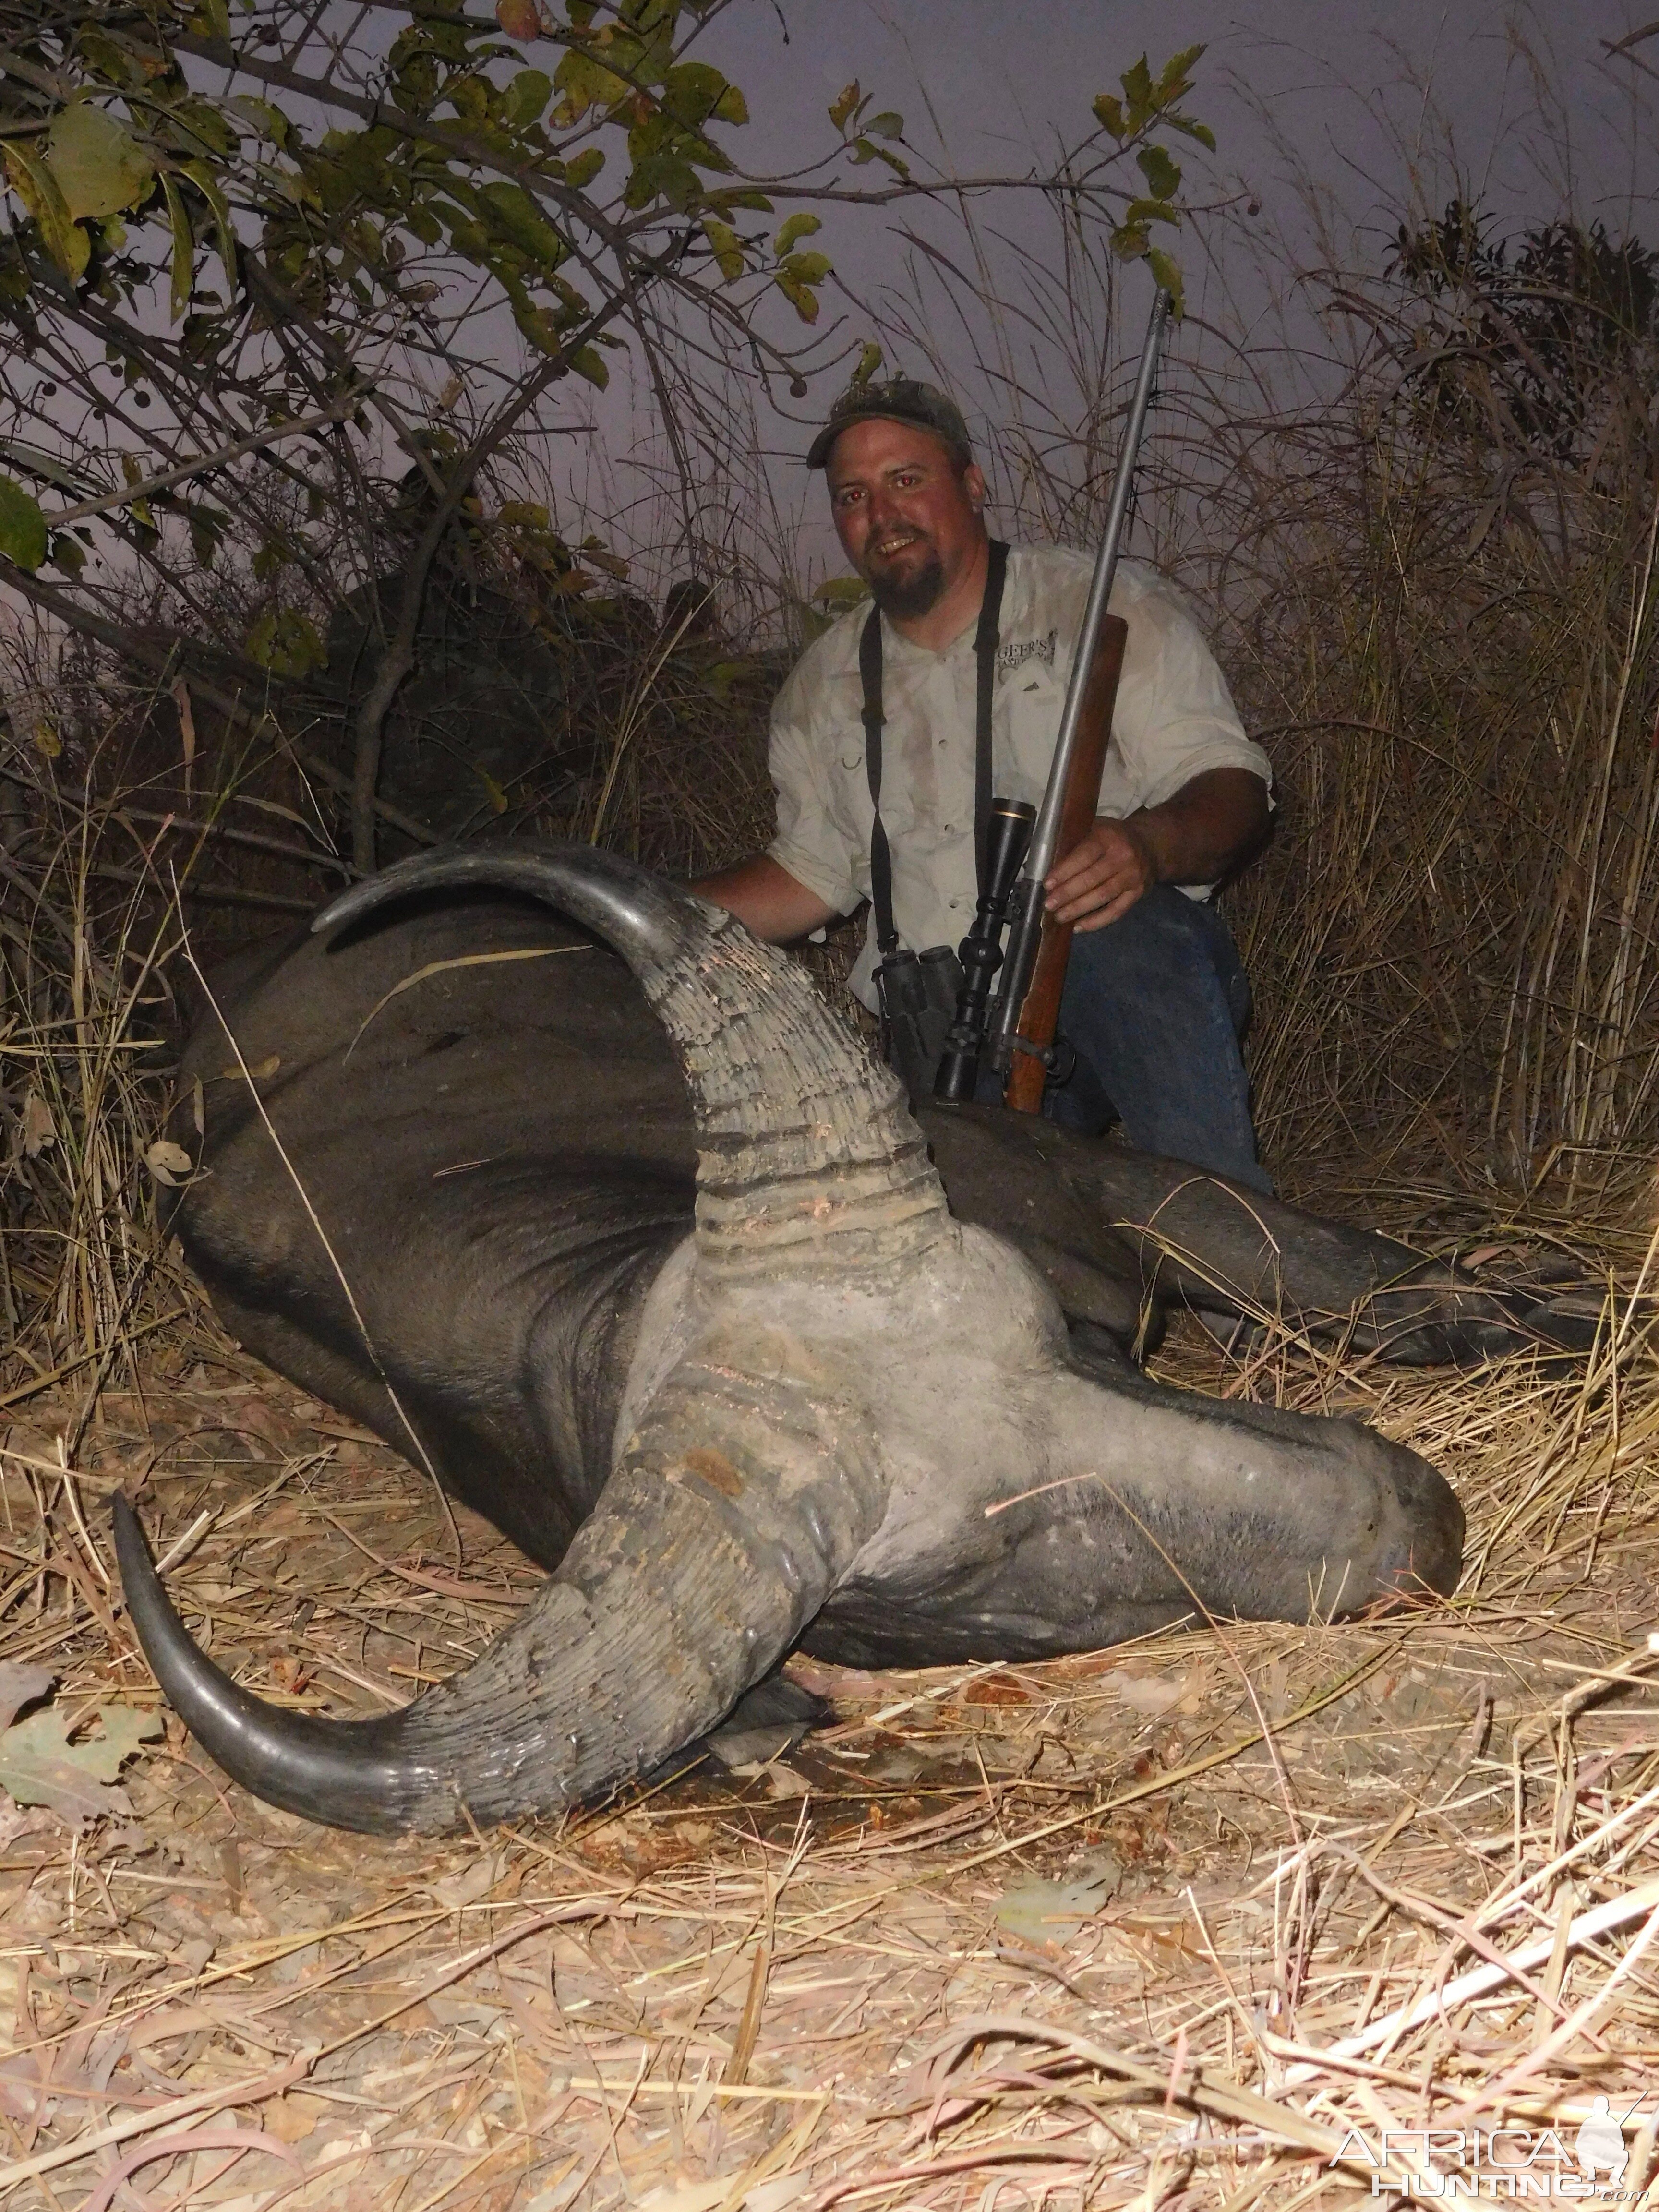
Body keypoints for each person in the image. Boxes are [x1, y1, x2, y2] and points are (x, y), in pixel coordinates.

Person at [692, 375, 1274, 1190]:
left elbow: (1231, 787)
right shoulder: (819, 687)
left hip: (1117, 986)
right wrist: (644, 920)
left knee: (1117, 929)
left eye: (907, 479)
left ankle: (1237, 1255)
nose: (882, 515)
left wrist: (1146, 845)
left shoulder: (1098, 605)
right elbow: (810, 873)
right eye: (853, 495)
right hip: (949, 1035)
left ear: (971, 484)